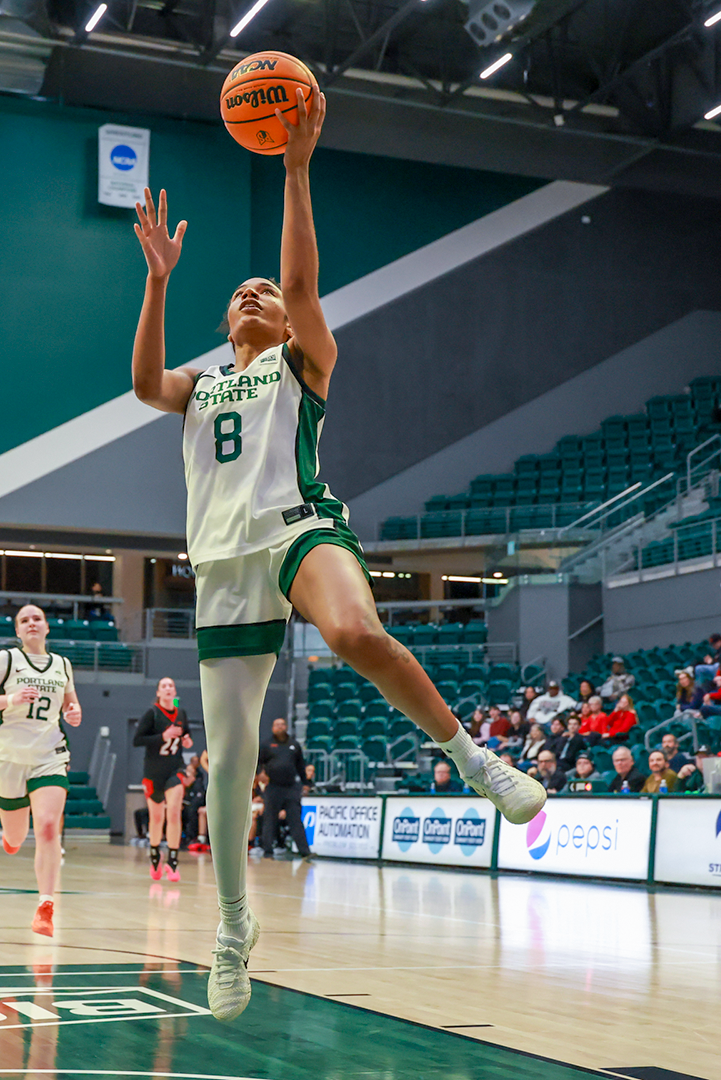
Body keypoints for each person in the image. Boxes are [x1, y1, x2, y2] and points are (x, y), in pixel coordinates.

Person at [128, 98, 544, 1020]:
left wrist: (296, 167)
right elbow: (145, 383)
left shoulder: (302, 361)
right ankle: (233, 928)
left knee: (353, 628)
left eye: (264, 293)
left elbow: (306, 291)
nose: (253, 294)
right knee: (229, 763)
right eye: (240, 291)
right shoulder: (202, 385)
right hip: (225, 562)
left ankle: (475, 761)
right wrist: (159, 281)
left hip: (299, 525)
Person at [0, 604, 83, 934]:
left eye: (37, 619)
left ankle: (45, 906)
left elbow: (71, 704)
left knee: (48, 826)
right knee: (17, 836)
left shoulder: (63, 664)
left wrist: (74, 713)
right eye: (24, 620)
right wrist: (11, 698)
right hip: (9, 758)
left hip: (51, 753)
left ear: (47, 627)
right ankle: (10, 835)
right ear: (17, 631)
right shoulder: (7, 659)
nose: (32, 623)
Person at [135, 676, 196, 879]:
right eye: (164, 686)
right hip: (153, 772)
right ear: (158, 692)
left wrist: (187, 741)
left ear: (174, 691)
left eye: (171, 685)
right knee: (156, 818)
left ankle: (173, 861)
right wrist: (163, 736)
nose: (168, 688)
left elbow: (186, 736)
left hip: (174, 769)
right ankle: (154, 855)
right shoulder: (152, 713)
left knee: (174, 813)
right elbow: (138, 739)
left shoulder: (182, 713)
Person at [256, 717, 311, 859]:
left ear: (286, 727)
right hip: (273, 787)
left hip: (291, 787)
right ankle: (267, 849)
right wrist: (260, 774)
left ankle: (305, 851)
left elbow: (300, 765)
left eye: (282, 725)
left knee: (295, 820)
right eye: (277, 725)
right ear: (273, 728)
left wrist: (305, 783)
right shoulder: (266, 744)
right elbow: (257, 762)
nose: (280, 727)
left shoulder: (294, 745)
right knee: (270, 819)